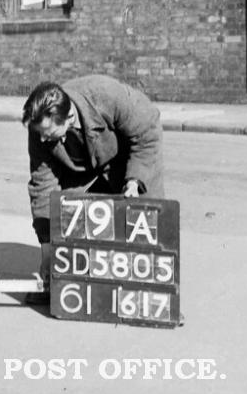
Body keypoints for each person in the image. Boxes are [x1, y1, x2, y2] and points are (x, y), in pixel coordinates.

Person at [22, 75, 164, 304]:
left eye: (47, 133)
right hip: (79, 172)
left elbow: (147, 133)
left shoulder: (106, 94)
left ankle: (153, 294)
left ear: (68, 117)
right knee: (68, 221)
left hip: (127, 159)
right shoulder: (41, 128)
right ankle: (58, 282)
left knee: (143, 224)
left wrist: (135, 180)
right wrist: (47, 252)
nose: (41, 138)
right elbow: (43, 186)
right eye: (39, 132)